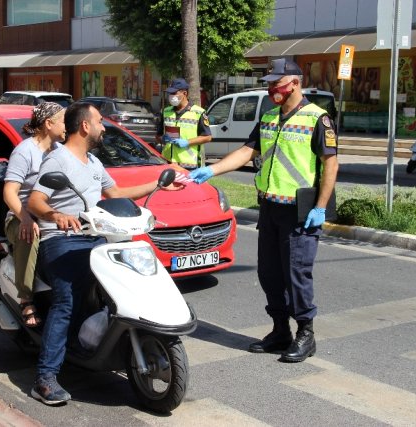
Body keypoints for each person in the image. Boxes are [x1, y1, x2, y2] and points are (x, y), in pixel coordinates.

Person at [27, 102, 183, 405]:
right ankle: (45, 378)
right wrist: (55, 215)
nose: (103, 126)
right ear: (85, 126)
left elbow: (115, 195)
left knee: (120, 288)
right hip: (62, 240)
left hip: (95, 238)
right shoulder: (58, 161)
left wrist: (160, 184)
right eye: (99, 121)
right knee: (66, 301)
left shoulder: (93, 163)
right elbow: (35, 200)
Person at [190, 58, 339, 363]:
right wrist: (213, 169)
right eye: (269, 84)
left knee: (296, 274)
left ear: (295, 83)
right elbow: (247, 150)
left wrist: (321, 207)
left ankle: (306, 334)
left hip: (300, 211)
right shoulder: (269, 117)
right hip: (270, 208)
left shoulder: (317, 119)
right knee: (270, 273)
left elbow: (331, 164)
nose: (272, 89)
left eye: (277, 84)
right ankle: (280, 330)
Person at [2, 102, 65, 327]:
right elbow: (9, 192)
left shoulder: (60, 152)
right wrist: (26, 218)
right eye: (63, 120)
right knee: (30, 233)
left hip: (50, 215)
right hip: (20, 217)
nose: (67, 126)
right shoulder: (25, 151)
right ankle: (26, 299)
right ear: (49, 124)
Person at [156, 78, 212, 170]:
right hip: (168, 162)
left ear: (185, 93)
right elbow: (158, 136)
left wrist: (187, 142)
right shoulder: (166, 112)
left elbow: (207, 137)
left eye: (174, 93)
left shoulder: (198, 113)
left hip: (189, 165)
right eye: (170, 93)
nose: (171, 96)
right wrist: (162, 139)